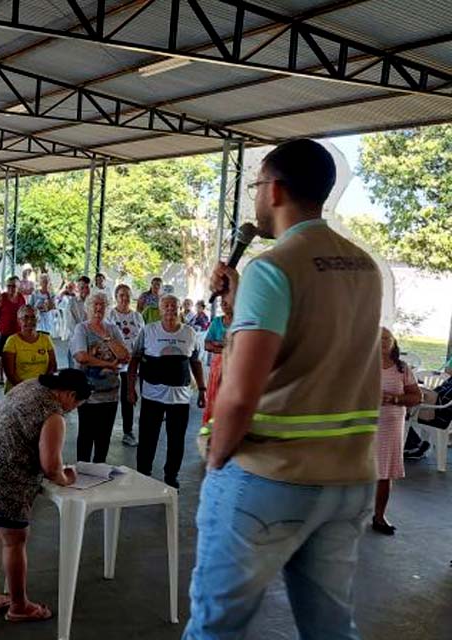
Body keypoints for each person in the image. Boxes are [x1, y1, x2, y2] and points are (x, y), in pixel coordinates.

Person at [185, 139, 383, 639]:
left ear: (273, 190)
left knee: (216, 628)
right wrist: (235, 311)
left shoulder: (273, 267)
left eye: (255, 186)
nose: (255, 197)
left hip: (270, 478)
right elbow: (314, 348)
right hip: (349, 477)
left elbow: (241, 392)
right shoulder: (364, 267)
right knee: (331, 629)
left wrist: (217, 460)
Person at [0, 370, 90, 622]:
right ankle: (19, 606)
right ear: (70, 394)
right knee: (14, 541)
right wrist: (66, 477)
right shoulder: (53, 413)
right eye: (76, 404)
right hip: (3, 477)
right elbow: (51, 467)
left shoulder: (29, 385)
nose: (73, 410)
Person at [127, 294, 204, 488]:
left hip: (180, 398)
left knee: (176, 440)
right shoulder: (148, 331)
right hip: (152, 395)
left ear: (180, 309)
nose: (170, 309)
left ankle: (171, 476)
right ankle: (143, 474)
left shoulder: (190, 333)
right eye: (166, 305)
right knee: (147, 438)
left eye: (174, 305)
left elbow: (195, 362)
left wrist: (202, 388)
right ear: (160, 310)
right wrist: (130, 388)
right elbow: (134, 359)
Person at [373, 328, 421, 536]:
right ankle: (351, 516)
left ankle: (379, 516)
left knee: (384, 473)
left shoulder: (402, 369)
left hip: (391, 426)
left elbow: (416, 397)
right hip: (364, 424)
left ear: (393, 343)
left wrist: (394, 399)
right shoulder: (363, 366)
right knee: (357, 470)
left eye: (387, 338)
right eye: (379, 338)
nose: (383, 341)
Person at [70, 292, 129, 463]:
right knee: (86, 436)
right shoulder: (82, 328)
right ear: (87, 307)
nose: (98, 308)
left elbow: (125, 355)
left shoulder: (112, 329)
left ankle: (99, 473)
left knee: (104, 438)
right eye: (94, 304)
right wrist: (109, 364)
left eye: (102, 304)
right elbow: (81, 357)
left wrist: (106, 337)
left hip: (110, 393)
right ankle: (82, 474)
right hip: (88, 394)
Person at [107, 284, 144, 447]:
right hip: (115, 362)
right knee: (111, 397)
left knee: (128, 396)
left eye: (127, 295)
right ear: (116, 297)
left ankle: (128, 432)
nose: (125, 298)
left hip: (133, 363)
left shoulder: (137, 317)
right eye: (121, 295)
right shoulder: (111, 315)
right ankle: (105, 430)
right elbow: (105, 338)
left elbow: (142, 339)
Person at [2, 305, 56, 391]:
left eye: (33, 317)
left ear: (38, 319)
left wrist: (44, 385)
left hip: (42, 389)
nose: (30, 321)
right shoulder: (12, 341)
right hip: (18, 389)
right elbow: (10, 373)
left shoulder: (46, 339)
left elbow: (52, 365)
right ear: (19, 321)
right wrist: (27, 390)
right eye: (25, 318)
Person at [201, 296, 234, 426]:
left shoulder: (242, 322)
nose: (225, 306)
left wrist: (218, 344)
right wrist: (228, 346)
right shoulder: (217, 322)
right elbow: (207, 345)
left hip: (235, 367)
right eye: (222, 303)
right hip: (218, 366)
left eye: (228, 303)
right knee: (215, 397)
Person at [0, 276, 27, 386]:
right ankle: (1, 376)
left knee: (17, 354)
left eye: (13, 286)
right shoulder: (2, 298)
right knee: (2, 355)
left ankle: (15, 374)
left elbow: (24, 312)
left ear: (18, 287)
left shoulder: (21, 298)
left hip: (17, 331)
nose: (11, 288)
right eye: (8, 286)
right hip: (5, 331)